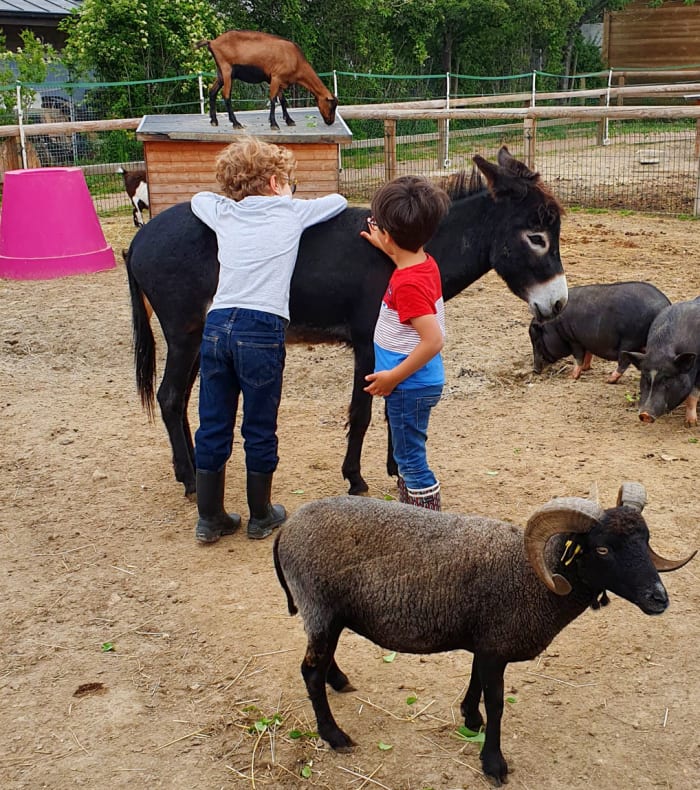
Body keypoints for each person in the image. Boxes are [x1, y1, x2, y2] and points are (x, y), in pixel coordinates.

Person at [190, 137, 348, 543]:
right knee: (259, 425)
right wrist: (290, 198)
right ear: (277, 181)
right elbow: (338, 202)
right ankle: (261, 514)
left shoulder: (223, 211)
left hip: (218, 325)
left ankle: (209, 518)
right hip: (261, 329)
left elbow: (198, 201)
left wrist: (231, 197)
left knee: (213, 422)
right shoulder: (291, 212)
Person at [360, 175, 450, 510]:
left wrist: (392, 377)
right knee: (406, 451)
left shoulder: (407, 284)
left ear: (389, 235)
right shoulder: (424, 262)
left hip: (408, 386)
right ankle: (408, 515)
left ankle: (427, 526)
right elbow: (403, 255)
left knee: (411, 460)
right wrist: (384, 243)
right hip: (415, 383)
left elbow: (433, 340)